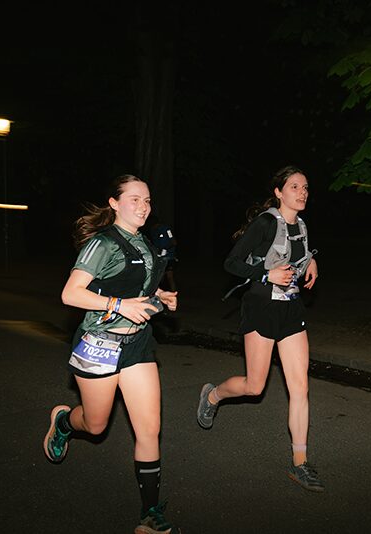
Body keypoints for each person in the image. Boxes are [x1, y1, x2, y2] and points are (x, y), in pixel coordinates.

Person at [42, 174, 179, 534]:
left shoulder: (145, 243)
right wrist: (118, 304)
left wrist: (160, 297)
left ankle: (150, 514)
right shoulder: (102, 243)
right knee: (95, 424)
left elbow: (139, 286)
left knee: (149, 430)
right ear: (114, 203)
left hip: (137, 346)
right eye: (134, 199)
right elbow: (71, 294)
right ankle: (63, 422)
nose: (143, 207)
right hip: (99, 344)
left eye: (147, 200)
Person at [196, 165, 323, 492]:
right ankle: (213, 395)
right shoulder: (266, 223)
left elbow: (296, 255)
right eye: (295, 186)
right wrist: (266, 276)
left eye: (305, 187)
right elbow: (232, 263)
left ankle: (300, 464)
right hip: (261, 307)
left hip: (291, 309)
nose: (302, 192)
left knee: (300, 387)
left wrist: (310, 261)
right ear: (279, 192)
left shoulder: (302, 225)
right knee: (255, 386)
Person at [148, 218, 178, 292]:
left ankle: (174, 294)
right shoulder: (152, 231)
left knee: (170, 277)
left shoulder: (166, 230)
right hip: (159, 258)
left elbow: (173, 242)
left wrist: (164, 250)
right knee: (159, 278)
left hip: (168, 257)